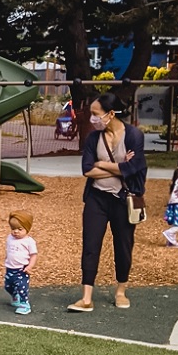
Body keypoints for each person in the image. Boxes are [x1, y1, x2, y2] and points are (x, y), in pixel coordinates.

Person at [67, 92, 147, 312]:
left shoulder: (133, 136)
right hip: (97, 198)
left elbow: (133, 169)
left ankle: (121, 291)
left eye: (96, 114)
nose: (92, 118)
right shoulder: (94, 137)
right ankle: (86, 297)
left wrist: (101, 164)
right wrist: (119, 168)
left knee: (123, 245)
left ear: (110, 114)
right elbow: (87, 170)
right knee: (90, 245)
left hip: (124, 199)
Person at [3, 210, 38, 315]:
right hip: (10, 268)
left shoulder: (29, 242)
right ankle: (15, 296)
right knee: (7, 285)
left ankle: (25, 304)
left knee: (22, 287)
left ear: (27, 229)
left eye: (19, 229)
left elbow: (33, 255)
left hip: (21, 269)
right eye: (13, 229)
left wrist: (30, 266)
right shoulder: (10, 238)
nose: (16, 232)